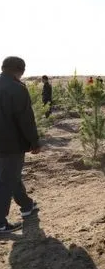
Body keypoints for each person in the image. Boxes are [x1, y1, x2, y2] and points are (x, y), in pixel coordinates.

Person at [0, 56, 40, 233]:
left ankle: (27, 205)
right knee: (7, 180)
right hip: (11, 145)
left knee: (11, 175)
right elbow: (26, 120)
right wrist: (34, 142)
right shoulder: (17, 89)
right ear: (20, 70)